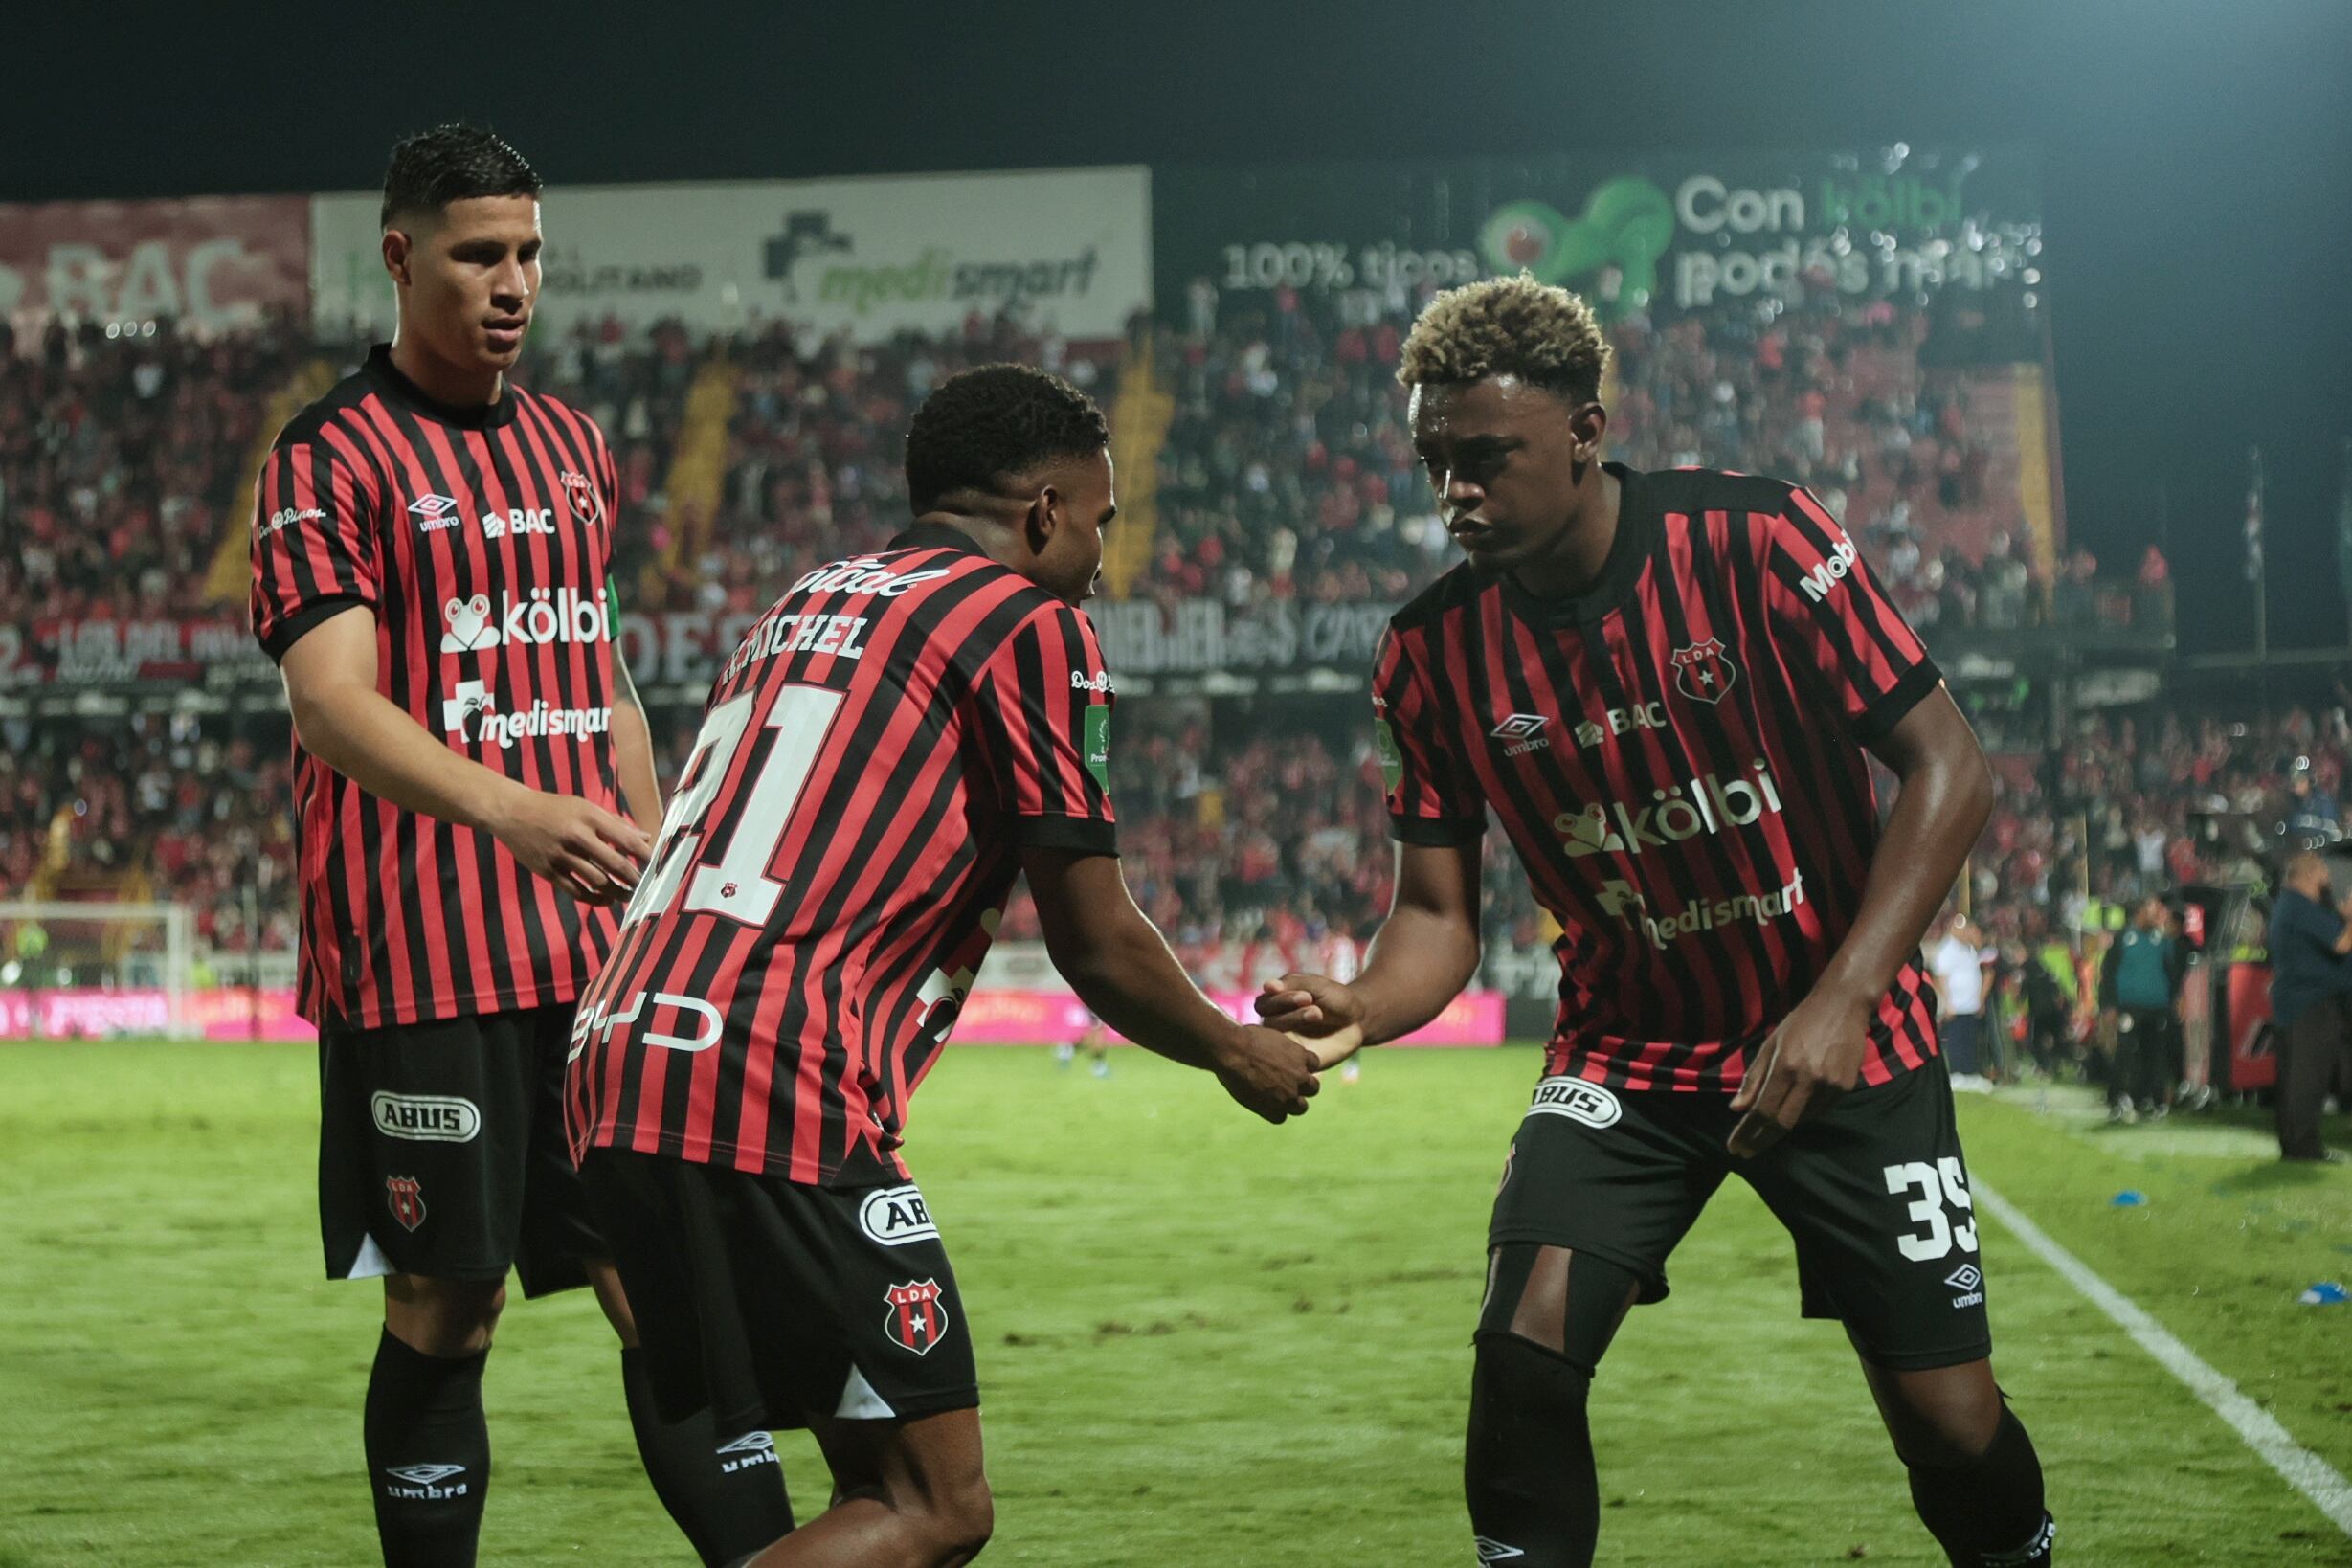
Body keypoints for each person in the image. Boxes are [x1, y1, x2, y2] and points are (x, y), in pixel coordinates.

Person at [1258, 275, 2051, 1567]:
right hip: (1628, 1057)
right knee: (1522, 1355)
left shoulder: (1759, 541)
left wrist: (1845, 996)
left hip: (1847, 1037)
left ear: (1584, 431)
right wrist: (1362, 1002)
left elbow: (1950, 766)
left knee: (1951, 1428)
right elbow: (1437, 916)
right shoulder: (1427, 654)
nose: (1454, 491)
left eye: (1486, 457)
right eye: (1434, 463)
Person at [566, 364, 1323, 1567]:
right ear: (1043, 513)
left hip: (620, 1053)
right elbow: (1092, 935)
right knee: (935, 1504)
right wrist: (1236, 1047)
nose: (1103, 559)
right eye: (1100, 522)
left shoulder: (807, 596)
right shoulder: (1029, 623)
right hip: (770, 1073)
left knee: (868, 1480)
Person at [249, 125, 789, 1567]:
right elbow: (329, 702)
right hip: (423, 956)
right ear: (400, 255)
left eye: (531, 254)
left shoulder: (573, 446)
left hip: (592, 954)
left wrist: (661, 871)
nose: (513, 285)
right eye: (479, 254)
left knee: (662, 1283)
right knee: (451, 1301)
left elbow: (597, 677)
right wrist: (514, 811)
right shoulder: (325, 456)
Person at [2265, 852, 2352, 1161]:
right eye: (2322, 868)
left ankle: (2295, 1143)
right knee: (2308, 1078)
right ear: (2308, 874)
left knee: (2296, 1077)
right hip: (2311, 1003)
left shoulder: (2293, 906)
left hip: (2298, 1003)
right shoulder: (2300, 906)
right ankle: (2303, 1146)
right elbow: (2341, 944)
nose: (2327, 872)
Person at [2099, 896, 2186, 1122]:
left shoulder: (2163, 940)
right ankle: (2117, 1098)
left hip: (2158, 1007)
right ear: (2139, 911)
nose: (2156, 913)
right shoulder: (2123, 938)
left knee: (2155, 1055)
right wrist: (2108, 1005)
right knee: (2125, 1052)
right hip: (2129, 1006)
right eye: (2151, 908)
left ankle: (2148, 1099)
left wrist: (2177, 998)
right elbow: (2108, 972)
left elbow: (2172, 973)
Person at [1928, 912, 1995, 1092]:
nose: (1966, 932)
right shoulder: (1947, 949)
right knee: (1957, 1039)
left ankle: (1970, 1073)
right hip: (1956, 1005)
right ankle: (1957, 1073)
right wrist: (1947, 1002)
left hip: (1970, 1004)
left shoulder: (1968, 948)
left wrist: (1979, 1000)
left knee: (1970, 1039)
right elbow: (1940, 977)